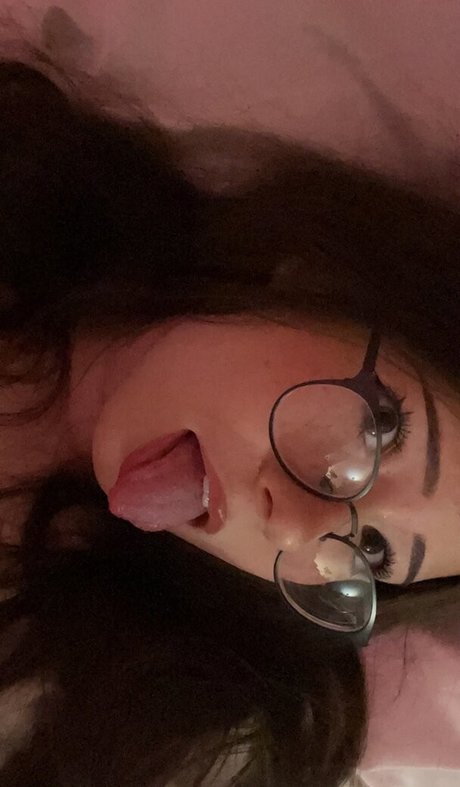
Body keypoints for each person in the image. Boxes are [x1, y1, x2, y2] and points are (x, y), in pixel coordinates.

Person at [0, 55, 458, 787]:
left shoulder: (106, 703)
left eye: (370, 551)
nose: (298, 527)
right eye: (377, 430)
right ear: (318, 278)